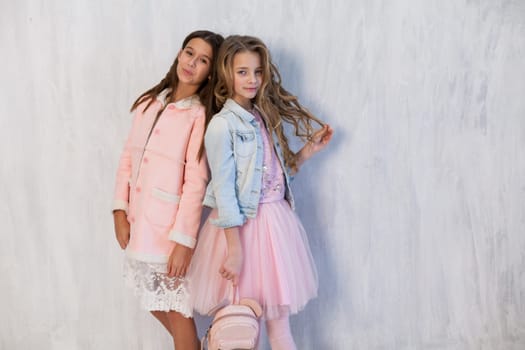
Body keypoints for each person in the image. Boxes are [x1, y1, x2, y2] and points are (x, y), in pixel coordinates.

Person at [188, 35, 333, 349]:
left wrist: (307, 152)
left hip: (274, 229)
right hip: (239, 234)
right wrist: (235, 251)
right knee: (239, 331)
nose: (252, 79)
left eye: (257, 71)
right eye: (242, 72)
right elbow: (225, 192)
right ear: (227, 73)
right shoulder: (222, 126)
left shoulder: (262, 116)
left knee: (280, 329)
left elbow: (272, 177)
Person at [112, 30, 223, 350]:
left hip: (168, 229)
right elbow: (127, 158)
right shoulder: (149, 103)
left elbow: (196, 182)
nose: (192, 63)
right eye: (190, 53)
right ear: (179, 53)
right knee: (151, 298)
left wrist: (184, 243)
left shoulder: (199, 115)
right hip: (138, 222)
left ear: (211, 72)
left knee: (177, 310)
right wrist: (119, 210)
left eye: (203, 60)